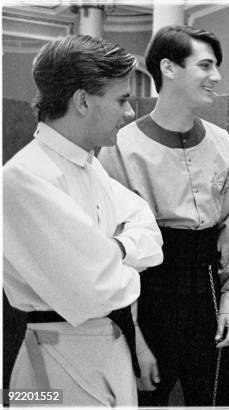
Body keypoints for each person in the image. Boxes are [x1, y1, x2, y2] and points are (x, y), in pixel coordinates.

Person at [3, 34, 163, 406]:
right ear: (82, 100)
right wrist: (119, 260)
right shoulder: (23, 177)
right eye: (122, 99)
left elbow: (149, 231)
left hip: (105, 347)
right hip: (52, 358)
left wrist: (113, 250)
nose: (130, 113)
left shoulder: (91, 168)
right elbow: (98, 290)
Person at [97, 25, 229, 406]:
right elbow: (110, 252)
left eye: (217, 66)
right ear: (168, 68)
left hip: (210, 291)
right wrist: (132, 333)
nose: (216, 76)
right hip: (149, 294)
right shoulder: (119, 147)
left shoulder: (220, 140)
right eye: (206, 65)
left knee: (217, 396)